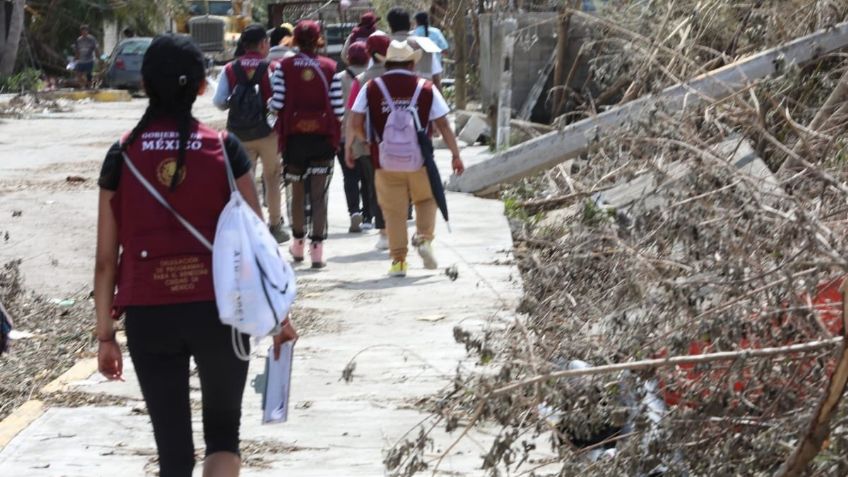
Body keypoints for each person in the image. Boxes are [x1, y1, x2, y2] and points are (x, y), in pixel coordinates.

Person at [93, 34, 297, 477]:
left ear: (145, 84)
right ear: (202, 89)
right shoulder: (225, 150)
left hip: (149, 314)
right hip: (223, 311)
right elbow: (258, 241)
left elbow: (106, 259)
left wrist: (105, 334)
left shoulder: (122, 154)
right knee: (223, 437)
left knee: (173, 454)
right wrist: (279, 318)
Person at [348, 40, 465, 277]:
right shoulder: (426, 87)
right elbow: (443, 123)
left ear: (387, 63)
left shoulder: (371, 87)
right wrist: (455, 154)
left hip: (384, 161)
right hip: (420, 160)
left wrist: (364, 142)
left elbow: (355, 121)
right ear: (412, 63)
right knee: (425, 200)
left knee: (394, 211)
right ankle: (423, 239)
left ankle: (399, 261)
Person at [270, 20, 344, 268]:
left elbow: (277, 104)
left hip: (294, 139)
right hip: (322, 139)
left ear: (295, 40)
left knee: (297, 194)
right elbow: (338, 109)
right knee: (319, 194)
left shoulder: (283, 67)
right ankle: (318, 251)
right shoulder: (330, 67)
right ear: (319, 39)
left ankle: (298, 245)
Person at [213, 24, 289, 243]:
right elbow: (277, 101)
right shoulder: (272, 67)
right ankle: (275, 226)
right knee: (273, 179)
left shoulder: (230, 69)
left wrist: (234, 104)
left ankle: (246, 226)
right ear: (264, 44)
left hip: (238, 136)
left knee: (241, 180)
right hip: (267, 134)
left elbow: (219, 101)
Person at [346, 33, 391, 248]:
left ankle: (384, 233)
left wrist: (350, 145)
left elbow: (354, 119)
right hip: (403, 144)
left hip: (369, 145)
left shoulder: (361, 80)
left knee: (376, 187)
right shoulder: (406, 76)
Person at [336, 41, 370, 233]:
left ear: (348, 58)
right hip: (364, 134)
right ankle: (367, 215)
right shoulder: (369, 77)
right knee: (367, 177)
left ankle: (353, 211)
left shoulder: (339, 78)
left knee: (349, 176)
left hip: (343, 134)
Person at [386, 8, 442, 87]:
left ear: (389, 26)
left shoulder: (383, 45)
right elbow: (436, 79)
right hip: (423, 96)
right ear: (410, 24)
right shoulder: (425, 44)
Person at [413, 11, 449, 87]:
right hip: (435, 68)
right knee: (436, 90)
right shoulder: (436, 32)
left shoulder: (413, 34)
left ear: (416, 21)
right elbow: (445, 51)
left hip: (417, 69)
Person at [74, 25, 101, 89]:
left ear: (87, 31)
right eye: (83, 31)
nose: (84, 33)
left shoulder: (92, 39)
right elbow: (77, 50)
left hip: (89, 60)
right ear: (81, 32)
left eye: (85, 31)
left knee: (89, 75)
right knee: (78, 75)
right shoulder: (79, 40)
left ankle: (89, 86)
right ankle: (85, 85)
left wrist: (98, 57)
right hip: (81, 60)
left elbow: (96, 48)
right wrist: (75, 59)